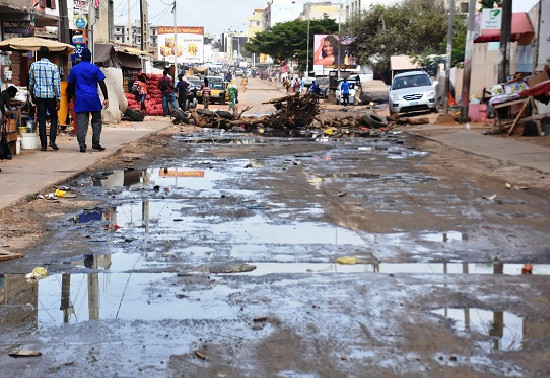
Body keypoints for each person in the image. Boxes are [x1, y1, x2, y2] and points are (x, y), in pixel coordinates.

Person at [67, 47, 109, 153]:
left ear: (81, 58)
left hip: (80, 99)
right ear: (90, 58)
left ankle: (82, 145)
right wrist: (106, 97)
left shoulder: (75, 69)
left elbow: (70, 84)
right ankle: (95, 143)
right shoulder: (94, 68)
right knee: (96, 121)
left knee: (81, 122)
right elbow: (102, 84)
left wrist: (71, 96)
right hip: (93, 99)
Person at [28, 46, 61, 151]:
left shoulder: (33, 65)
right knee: (54, 117)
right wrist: (58, 98)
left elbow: (31, 82)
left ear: (40, 54)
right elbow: (56, 84)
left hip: (39, 96)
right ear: (49, 54)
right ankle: (52, 140)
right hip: (51, 96)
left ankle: (43, 145)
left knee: (41, 118)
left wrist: (32, 94)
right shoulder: (54, 67)